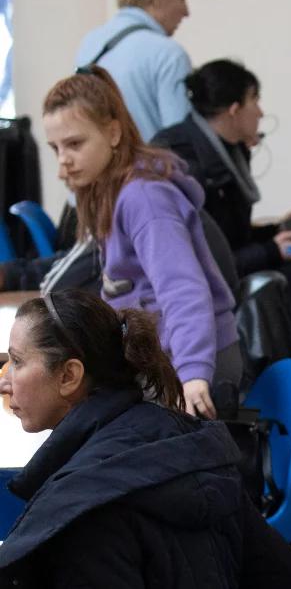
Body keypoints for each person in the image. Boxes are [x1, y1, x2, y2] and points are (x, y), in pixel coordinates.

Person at [0, 290, 291, 588]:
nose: (4, 380)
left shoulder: (79, 508)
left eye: (17, 361)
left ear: (69, 376)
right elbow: (281, 570)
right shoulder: (189, 439)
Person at [42, 66, 240, 420]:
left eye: (74, 144)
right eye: (56, 148)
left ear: (113, 133)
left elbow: (182, 289)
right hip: (163, 355)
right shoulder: (111, 191)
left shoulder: (143, 198)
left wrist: (193, 372)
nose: (63, 163)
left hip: (192, 363)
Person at [152, 59, 291, 277]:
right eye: (255, 100)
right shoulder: (183, 160)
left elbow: (233, 236)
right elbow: (206, 261)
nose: (261, 113)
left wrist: (278, 230)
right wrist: (271, 250)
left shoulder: (230, 149)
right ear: (234, 110)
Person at [75, 0, 192, 140]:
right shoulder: (169, 55)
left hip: (101, 169)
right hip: (150, 169)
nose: (186, 11)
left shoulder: (90, 42)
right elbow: (180, 141)